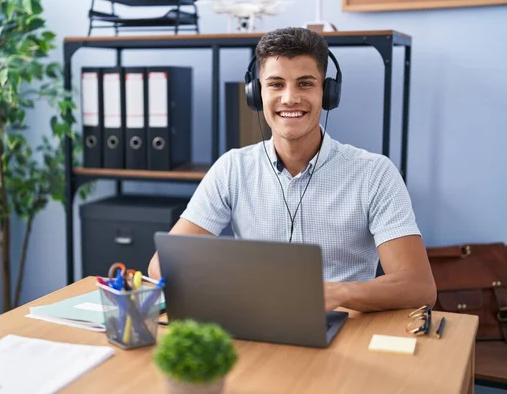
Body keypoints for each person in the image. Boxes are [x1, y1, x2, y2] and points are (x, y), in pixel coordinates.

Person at [148, 27, 436, 312]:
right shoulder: (232, 168)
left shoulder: (374, 173)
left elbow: (418, 287)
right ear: (256, 93)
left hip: (344, 329)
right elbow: (162, 266)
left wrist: (336, 293)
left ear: (328, 92)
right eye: (276, 84)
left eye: (305, 84)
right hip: (257, 320)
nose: (289, 98)